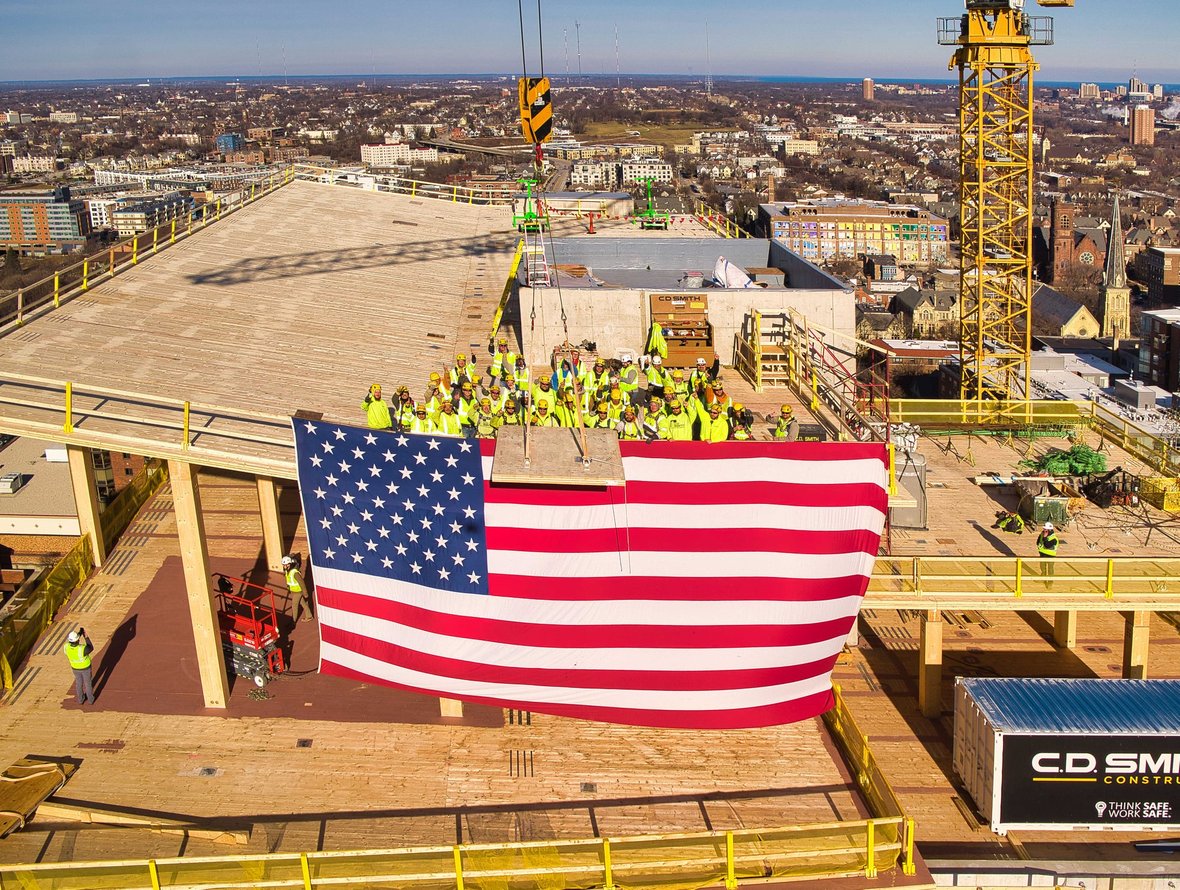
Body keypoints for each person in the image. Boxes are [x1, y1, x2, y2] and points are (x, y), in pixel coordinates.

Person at [63, 628, 95, 705]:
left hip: (75, 668)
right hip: (85, 668)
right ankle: (91, 699)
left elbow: (74, 641)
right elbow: (91, 647)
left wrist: (79, 633)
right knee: (88, 684)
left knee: (78, 683)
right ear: (78, 640)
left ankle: (81, 699)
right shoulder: (82, 649)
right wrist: (86, 636)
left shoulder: (66, 647)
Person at [283, 555, 313, 623]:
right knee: (303, 603)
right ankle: (309, 616)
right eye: (284, 565)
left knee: (294, 605)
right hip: (294, 591)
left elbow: (302, 583)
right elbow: (289, 581)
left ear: (290, 564)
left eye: (286, 565)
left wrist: (305, 593)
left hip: (298, 592)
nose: (284, 566)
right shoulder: (288, 571)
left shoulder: (295, 573)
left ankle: (293, 621)